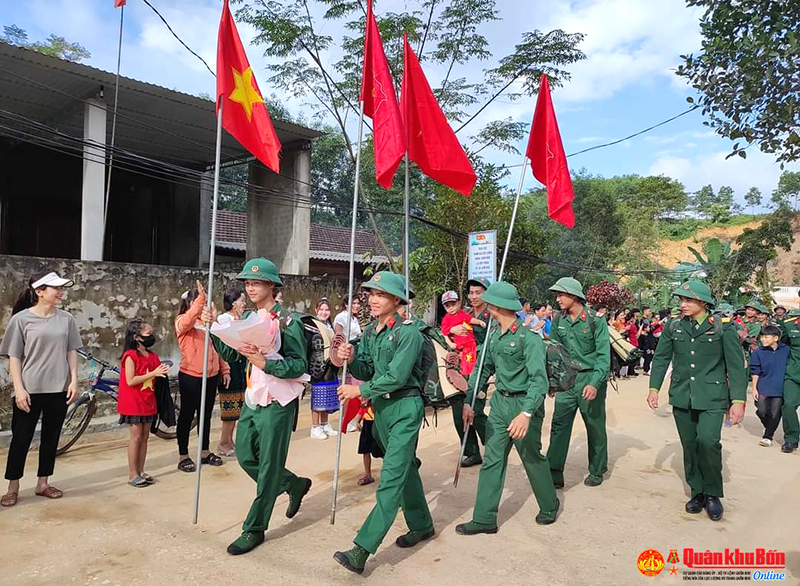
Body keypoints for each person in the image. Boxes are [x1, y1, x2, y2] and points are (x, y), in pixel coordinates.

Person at [204, 258, 312, 556]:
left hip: (279, 400)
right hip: (254, 397)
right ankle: (293, 483)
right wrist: (213, 327)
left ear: (271, 286)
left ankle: (254, 528)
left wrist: (267, 363)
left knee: (267, 468)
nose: (250, 287)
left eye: (257, 282)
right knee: (245, 454)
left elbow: (299, 364)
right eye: (247, 283)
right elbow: (234, 353)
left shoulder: (286, 321)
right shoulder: (248, 317)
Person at [333, 271, 434, 575]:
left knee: (390, 479)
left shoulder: (409, 333)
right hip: (383, 411)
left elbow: (397, 376)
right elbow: (367, 368)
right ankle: (422, 524)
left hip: (404, 407)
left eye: (381, 295)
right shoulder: (370, 332)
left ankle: (361, 549)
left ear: (396, 300)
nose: (373, 300)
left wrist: (359, 391)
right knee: (404, 468)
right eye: (371, 294)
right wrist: (351, 357)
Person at [456, 281, 559, 536]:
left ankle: (549, 504)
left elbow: (539, 380)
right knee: (492, 458)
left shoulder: (528, 337)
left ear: (496, 305)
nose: (483, 305)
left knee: (531, 457)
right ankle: (484, 518)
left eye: (487, 301)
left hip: (524, 404)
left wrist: (526, 414)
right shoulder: (494, 337)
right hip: (500, 403)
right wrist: (471, 401)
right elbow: (482, 371)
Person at [647, 280, 747, 521]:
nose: (683, 304)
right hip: (682, 395)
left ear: (703, 302)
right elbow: (661, 358)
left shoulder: (723, 327)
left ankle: (713, 493)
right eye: (681, 299)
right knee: (690, 445)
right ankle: (697, 492)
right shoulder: (674, 327)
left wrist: (738, 400)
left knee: (709, 442)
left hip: (712, 397)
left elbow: (735, 366)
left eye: (689, 300)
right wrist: (654, 387)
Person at [1, 271, 82, 507]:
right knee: (21, 439)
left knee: (51, 437)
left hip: (59, 388)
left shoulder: (66, 319)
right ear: (39, 291)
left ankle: (43, 483)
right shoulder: (21, 320)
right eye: (55, 288)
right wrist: (19, 388)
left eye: (61, 288)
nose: (60, 292)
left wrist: (74, 380)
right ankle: (12, 487)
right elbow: (14, 356)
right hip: (29, 389)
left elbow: (71, 351)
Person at [546, 277, 611, 488]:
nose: (557, 299)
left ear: (573, 296)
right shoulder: (558, 320)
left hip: (589, 378)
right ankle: (554, 471)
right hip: (566, 381)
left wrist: (594, 383)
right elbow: (553, 351)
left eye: (560, 295)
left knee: (594, 425)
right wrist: (552, 381)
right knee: (559, 426)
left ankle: (597, 469)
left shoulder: (595, 320)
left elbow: (603, 356)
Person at [175, 281, 229, 472]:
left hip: (211, 376)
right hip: (191, 377)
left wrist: (224, 369)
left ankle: (204, 452)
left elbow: (216, 348)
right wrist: (201, 298)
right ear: (191, 304)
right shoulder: (183, 322)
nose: (203, 307)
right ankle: (183, 455)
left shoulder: (207, 325)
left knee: (205, 415)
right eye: (198, 303)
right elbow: (189, 318)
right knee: (187, 415)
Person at [118, 319, 169, 487]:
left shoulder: (152, 355)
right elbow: (131, 380)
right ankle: (133, 473)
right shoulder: (130, 356)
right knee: (136, 437)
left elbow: (157, 372)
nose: (151, 337)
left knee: (145, 437)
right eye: (148, 334)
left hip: (148, 400)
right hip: (134, 402)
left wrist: (160, 372)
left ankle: (141, 470)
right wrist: (154, 373)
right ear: (137, 337)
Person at [448, 277, 492, 468]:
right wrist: (452, 329)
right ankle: (471, 451)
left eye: (478, 293)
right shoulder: (463, 313)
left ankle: (494, 443)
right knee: (458, 409)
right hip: (461, 368)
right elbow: (446, 330)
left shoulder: (491, 316)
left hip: (479, 366)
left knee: (476, 410)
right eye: (471, 293)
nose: (473, 296)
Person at [216, 285, 247, 456]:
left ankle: (230, 440)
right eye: (242, 300)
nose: (244, 304)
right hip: (230, 366)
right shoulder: (223, 320)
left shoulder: (240, 319)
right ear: (234, 303)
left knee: (238, 407)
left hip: (241, 366)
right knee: (229, 407)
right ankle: (223, 442)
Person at [751, 325, 790, 447]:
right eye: (762, 336)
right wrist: (754, 388)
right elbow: (755, 372)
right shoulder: (758, 352)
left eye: (766, 337)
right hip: (763, 386)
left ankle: (768, 436)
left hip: (779, 388)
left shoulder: (786, 350)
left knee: (775, 413)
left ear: (776, 338)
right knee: (761, 411)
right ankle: (769, 427)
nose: (763, 339)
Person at [310, 299, 339, 439]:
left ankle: (324, 424)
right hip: (317, 366)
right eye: (321, 309)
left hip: (330, 366)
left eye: (327, 310)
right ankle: (315, 427)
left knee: (327, 395)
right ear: (316, 310)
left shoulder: (330, 326)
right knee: (318, 396)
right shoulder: (312, 326)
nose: (324, 312)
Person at [440, 290, 485, 376]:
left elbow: (470, 319)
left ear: (458, 303)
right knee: (465, 361)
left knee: (471, 360)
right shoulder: (446, 319)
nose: (451, 308)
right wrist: (450, 343)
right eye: (447, 306)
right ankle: (466, 374)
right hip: (459, 345)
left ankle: (469, 374)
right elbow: (444, 332)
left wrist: (479, 322)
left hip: (470, 342)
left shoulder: (462, 314)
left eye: (453, 305)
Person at [779, 309, 800, 453]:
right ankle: (791, 439)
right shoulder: (790, 325)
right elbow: (781, 347)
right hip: (793, 374)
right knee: (788, 405)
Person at [356, 400, 383, 486]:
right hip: (367, 422)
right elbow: (363, 408)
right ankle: (368, 475)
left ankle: (391, 472)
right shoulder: (366, 393)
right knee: (365, 449)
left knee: (380, 449)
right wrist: (358, 419)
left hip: (378, 422)